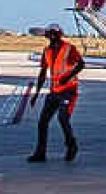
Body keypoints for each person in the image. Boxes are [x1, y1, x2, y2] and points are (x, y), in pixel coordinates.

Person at [28, 23, 84, 162]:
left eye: (53, 35)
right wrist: (36, 93)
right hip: (54, 91)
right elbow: (42, 73)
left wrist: (68, 76)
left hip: (69, 90)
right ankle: (40, 153)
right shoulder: (47, 51)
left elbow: (81, 64)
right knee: (42, 122)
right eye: (49, 35)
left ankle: (71, 145)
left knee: (63, 118)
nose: (51, 38)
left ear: (58, 35)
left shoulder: (69, 48)